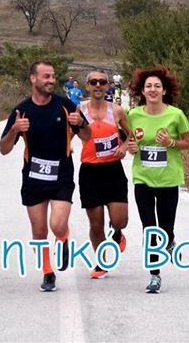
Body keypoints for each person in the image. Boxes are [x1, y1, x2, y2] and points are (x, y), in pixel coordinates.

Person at [0, 61, 91, 292]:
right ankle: (48, 272)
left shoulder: (65, 105)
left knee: (58, 224)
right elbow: (3, 148)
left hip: (61, 174)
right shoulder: (22, 111)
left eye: (53, 77)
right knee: (39, 231)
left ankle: (63, 240)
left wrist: (80, 124)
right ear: (33, 79)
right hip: (33, 177)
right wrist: (14, 130)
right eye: (46, 76)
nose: (51, 80)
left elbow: (88, 137)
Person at [125, 66, 189, 294]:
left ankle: (170, 241)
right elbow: (129, 144)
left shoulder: (176, 115)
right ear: (142, 91)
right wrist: (131, 147)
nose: (152, 90)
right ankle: (155, 275)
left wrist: (170, 144)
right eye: (148, 86)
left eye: (157, 86)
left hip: (168, 179)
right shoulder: (133, 116)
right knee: (149, 229)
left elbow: (188, 143)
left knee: (165, 229)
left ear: (164, 91)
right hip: (142, 178)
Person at [76, 70, 133, 279]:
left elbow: (131, 135)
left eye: (102, 82)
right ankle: (101, 262)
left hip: (113, 170)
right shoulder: (79, 110)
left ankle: (117, 232)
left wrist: (125, 146)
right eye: (93, 82)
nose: (98, 85)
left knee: (120, 220)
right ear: (87, 86)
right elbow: (68, 134)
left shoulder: (116, 111)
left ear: (108, 85)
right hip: (90, 171)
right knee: (96, 223)